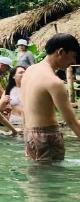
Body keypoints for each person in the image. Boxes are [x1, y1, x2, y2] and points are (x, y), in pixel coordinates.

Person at [19, 33, 80, 163]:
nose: (73, 62)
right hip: (47, 137)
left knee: (37, 179)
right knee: (53, 179)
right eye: (73, 56)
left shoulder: (29, 71)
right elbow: (72, 122)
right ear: (61, 52)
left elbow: (24, 109)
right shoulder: (54, 82)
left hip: (29, 134)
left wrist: (27, 139)